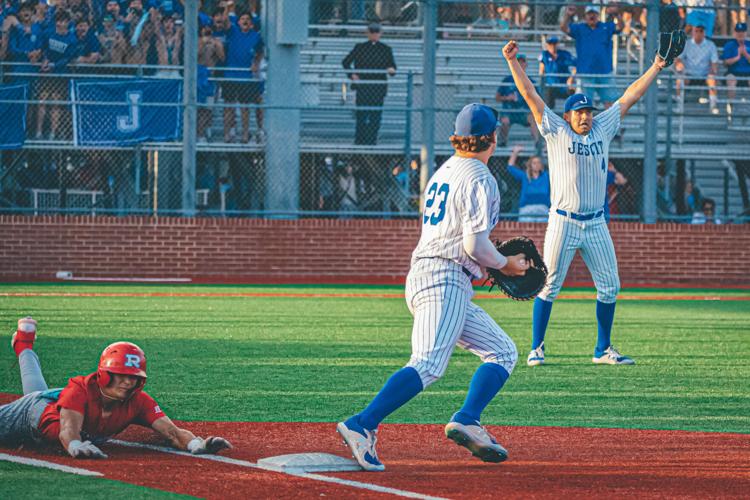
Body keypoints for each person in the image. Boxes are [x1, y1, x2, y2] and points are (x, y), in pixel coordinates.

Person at [336, 103, 529, 471]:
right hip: (445, 277)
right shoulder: (481, 178)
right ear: (493, 137)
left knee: (503, 351)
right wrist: (507, 265)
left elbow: (467, 243)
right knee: (427, 364)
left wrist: (488, 263)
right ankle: (362, 423)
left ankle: (468, 419)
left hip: (432, 272)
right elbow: (475, 247)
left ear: (458, 136)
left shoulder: (445, 170)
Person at [502, 37, 670, 367]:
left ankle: (602, 349)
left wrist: (656, 66)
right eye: (579, 112)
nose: (586, 117)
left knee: (610, 286)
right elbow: (531, 97)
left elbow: (629, 96)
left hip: (595, 222)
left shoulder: (601, 129)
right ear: (567, 115)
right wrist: (512, 61)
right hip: (563, 220)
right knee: (548, 285)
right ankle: (537, 347)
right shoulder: (556, 129)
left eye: (588, 112)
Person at [1, 317, 233, 458]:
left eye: (134, 377)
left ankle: (24, 344)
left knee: (34, 384)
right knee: (33, 395)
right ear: (104, 374)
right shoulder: (79, 390)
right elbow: (67, 430)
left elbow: (172, 433)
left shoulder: (139, 401)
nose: (128, 382)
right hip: (31, 415)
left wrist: (197, 444)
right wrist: (74, 445)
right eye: (120, 375)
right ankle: (23, 344)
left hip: (49, 411)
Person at [341, 22, 397, 145]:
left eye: (376, 32)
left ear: (380, 33)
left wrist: (391, 70)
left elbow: (392, 67)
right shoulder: (360, 47)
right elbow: (346, 62)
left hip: (378, 87)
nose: (374, 35)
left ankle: (372, 141)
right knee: (361, 115)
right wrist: (352, 75)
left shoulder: (385, 49)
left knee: (375, 116)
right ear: (367, 33)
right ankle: (359, 142)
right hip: (363, 86)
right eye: (372, 32)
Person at [560, 4, 622, 108]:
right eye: (589, 14)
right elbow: (563, 28)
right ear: (585, 16)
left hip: (605, 71)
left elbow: (620, 27)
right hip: (585, 72)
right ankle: (585, 124)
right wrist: (568, 15)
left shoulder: (605, 26)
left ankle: (611, 124)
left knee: (610, 103)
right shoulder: (580, 28)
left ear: (598, 15)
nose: (591, 16)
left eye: (594, 14)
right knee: (583, 104)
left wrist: (616, 14)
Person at [222, 9, 265, 143]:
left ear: (251, 23)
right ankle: (227, 134)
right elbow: (225, 22)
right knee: (229, 107)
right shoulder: (233, 31)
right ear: (238, 22)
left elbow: (260, 52)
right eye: (242, 19)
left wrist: (256, 63)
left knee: (245, 107)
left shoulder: (256, 36)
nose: (245, 21)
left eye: (247, 19)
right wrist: (227, 8)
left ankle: (245, 134)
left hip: (245, 76)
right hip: (230, 74)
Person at [496, 54, 542, 151]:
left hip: (524, 112)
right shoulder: (507, 80)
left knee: (533, 118)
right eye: (518, 62)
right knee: (504, 120)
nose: (521, 64)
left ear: (526, 64)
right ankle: (502, 142)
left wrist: (530, 98)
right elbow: (497, 97)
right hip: (510, 112)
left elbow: (538, 99)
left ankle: (538, 143)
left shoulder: (531, 81)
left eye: (523, 62)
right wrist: (507, 98)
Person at [675, 23, 719, 114]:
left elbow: (714, 62)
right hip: (689, 74)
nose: (698, 33)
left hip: (704, 74)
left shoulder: (711, 45)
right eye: (696, 31)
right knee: (679, 81)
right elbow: (678, 59)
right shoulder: (686, 44)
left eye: (701, 31)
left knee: (712, 80)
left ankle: (713, 107)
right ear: (692, 32)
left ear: (704, 33)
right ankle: (679, 106)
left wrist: (713, 70)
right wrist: (679, 64)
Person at [506, 144, 550, 222]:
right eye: (534, 163)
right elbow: (510, 167)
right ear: (530, 165)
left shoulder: (546, 176)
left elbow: (556, 166)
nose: (536, 165)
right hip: (526, 208)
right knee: (525, 232)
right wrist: (515, 152)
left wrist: (549, 151)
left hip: (543, 208)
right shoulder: (525, 176)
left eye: (538, 163)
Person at [538, 36, 576, 109]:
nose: (552, 46)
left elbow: (576, 65)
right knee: (547, 95)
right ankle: (550, 115)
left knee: (574, 91)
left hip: (564, 85)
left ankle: (573, 113)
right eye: (550, 44)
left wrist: (571, 78)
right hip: (550, 86)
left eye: (554, 44)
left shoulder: (564, 54)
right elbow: (541, 71)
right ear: (547, 45)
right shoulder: (544, 55)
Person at [722, 23, 750, 101]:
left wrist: (746, 54)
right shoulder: (729, 45)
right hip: (733, 72)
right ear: (735, 33)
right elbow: (725, 63)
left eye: (742, 31)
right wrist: (737, 57)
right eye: (738, 31)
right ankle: (731, 106)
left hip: (748, 73)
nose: (740, 33)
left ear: (746, 33)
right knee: (731, 79)